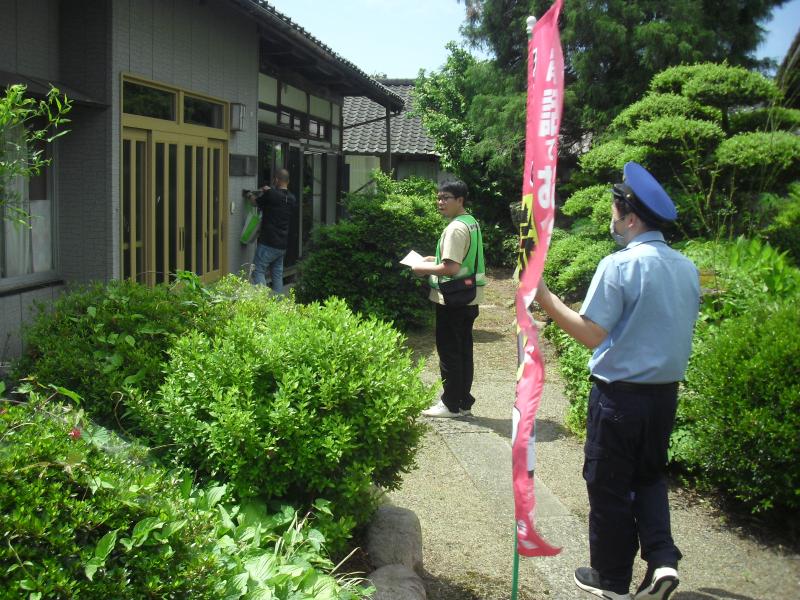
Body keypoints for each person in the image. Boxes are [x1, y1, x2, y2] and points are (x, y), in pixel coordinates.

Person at [534, 162, 700, 600]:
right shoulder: (686, 268)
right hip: (664, 397)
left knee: (607, 485)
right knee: (648, 478)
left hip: (618, 398)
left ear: (629, 217)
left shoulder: (619, 265)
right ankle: (662, 560)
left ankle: (611, 581)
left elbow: (591, 334)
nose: (610, 218)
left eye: (613, 210)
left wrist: (545, 298)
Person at [412, 180, 486, 418]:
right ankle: (464, 402)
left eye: (446, 198)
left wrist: (423, 269)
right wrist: (430, 258)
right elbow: (460, 259)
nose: (440, 202)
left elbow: (451, 268)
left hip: (451, 299)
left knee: (450, 352)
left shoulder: (455, 228)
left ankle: (450, 404)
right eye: (439, 197)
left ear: (460, 200)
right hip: (470, 297)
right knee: (464, 351)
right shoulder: (471, 222)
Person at [248, 168, 296, 293]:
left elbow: (255, 203)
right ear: (288, 181)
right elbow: (278, 198)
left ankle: (263, 303)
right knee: (277, 274)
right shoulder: (291, 198)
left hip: (268, 242)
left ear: (276, 179)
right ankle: (278, 304)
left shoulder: (271, 194)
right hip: (282, 245)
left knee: (257, 270)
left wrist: (250, 195)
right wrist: (269, 191)